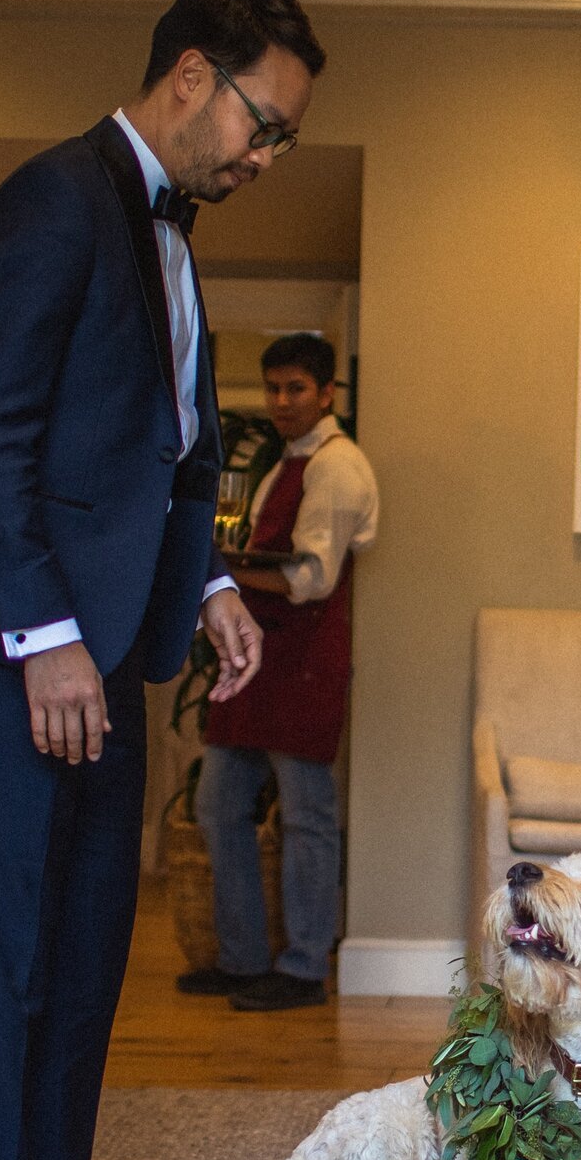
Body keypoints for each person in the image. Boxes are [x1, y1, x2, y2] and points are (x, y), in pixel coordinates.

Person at [0, 0, 321, 1160]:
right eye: (262, 121)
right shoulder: (49, 201)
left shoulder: (175, 239)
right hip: (13, 641)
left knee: (85, 927)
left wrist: (206, 587)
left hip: (111, 640)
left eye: (283, 137)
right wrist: (44, 638)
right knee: (7, 925)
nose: (264, 154)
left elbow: (170, 460)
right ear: (190, 74)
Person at [180, 334, 378, 1012]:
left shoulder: (338, 465)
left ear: (326, 392)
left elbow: (311, 577)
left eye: (296, 388)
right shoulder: (285, 462)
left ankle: (301, 969)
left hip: (302, 658)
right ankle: (239, 959)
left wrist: (216, 567)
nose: (281, 401)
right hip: (254, 657)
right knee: (217, 805)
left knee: (307, 816)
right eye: (273, 388)